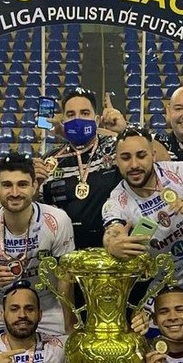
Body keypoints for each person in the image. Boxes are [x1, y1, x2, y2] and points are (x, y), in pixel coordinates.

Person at [102, 126, 183, 329]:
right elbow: (112, 231)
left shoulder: (182, 172)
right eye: (125, 157)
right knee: (145, 338)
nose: (134, 165)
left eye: (141, 156)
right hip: (168, 286)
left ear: (153, 154)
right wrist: (112, 244)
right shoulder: (117, 201)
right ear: (116, 161)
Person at [0, 152, 75, 339]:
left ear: (34, 186)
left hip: (45, 301)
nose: (15, 193)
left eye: (22, 184)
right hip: (0, 299)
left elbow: (66, 276)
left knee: (68, 350)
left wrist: (69, 323)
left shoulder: (57, 220)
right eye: (7, 185)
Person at [38, 86, 122, 250]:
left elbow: (153, 158)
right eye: (71, 115)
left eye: (85, 113)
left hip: (111, 250)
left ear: (96, 120)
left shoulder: (115, 149)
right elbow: (37, 207)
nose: (78, 119)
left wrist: (123, 131)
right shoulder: (51, 159)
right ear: (63, 121)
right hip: (65, 253)